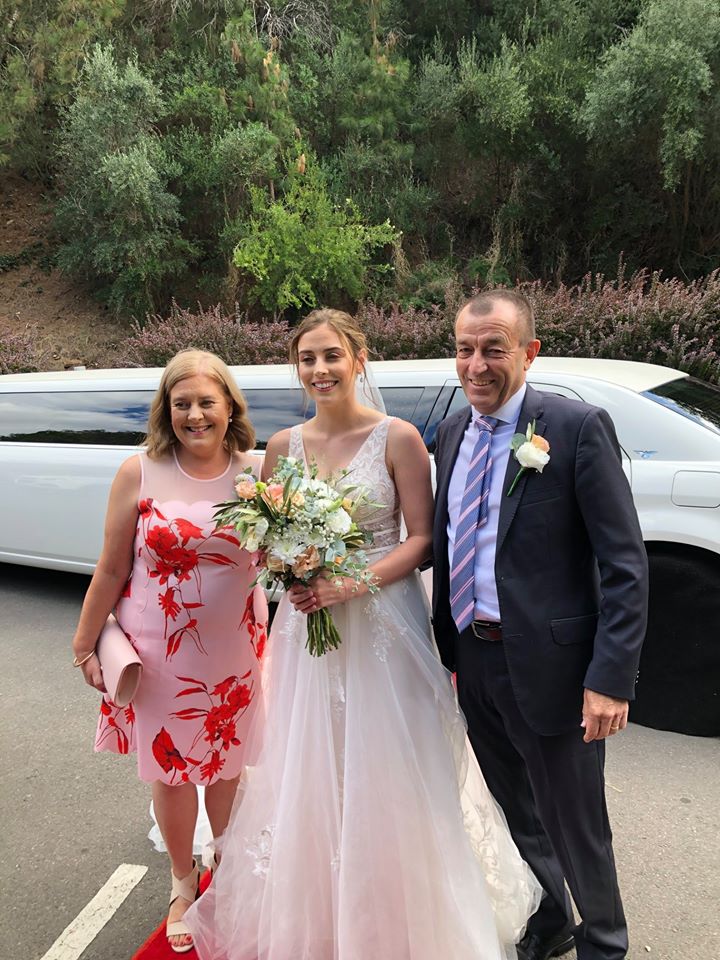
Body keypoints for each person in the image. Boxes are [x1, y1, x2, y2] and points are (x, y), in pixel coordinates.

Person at [185, 309, 541, 960]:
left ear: (358, 358)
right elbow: (266, 536)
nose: (319, 370)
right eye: (307, 359)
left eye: (331, 356)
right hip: (307, 630)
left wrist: (350, 583)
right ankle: (320, 912)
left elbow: (424, 540)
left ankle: (404, 913)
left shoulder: (398, 438)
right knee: (312, 766)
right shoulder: (282, 447)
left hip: (384, 623)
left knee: (392, 765)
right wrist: (288, 565)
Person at [432, 290, 649, 960]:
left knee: (576, 824)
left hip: (555, 669)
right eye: (465, 349)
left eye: (493, 349)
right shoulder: (452, 431)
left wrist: (609, 679)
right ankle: (552, 918)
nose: (476, 364)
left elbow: (625, 564)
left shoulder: (576, 428)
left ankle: (604, 945)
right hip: (474, 657)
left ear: (529, 353)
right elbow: (449, 540)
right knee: (515, 810)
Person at [71, 349, 268, 954]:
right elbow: (111, 566)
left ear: (229, 406)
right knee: (172, 771)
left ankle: (225, 871)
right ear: (166, 410)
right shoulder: (139, 471)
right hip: (158, 656)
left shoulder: (261, 472)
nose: (195, 415)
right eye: (182, 404)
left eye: (207, 402)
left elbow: (286, 558)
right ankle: (183, 882)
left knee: (227, 767)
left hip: (236, 650)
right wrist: (84, 643)